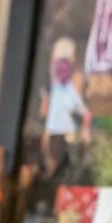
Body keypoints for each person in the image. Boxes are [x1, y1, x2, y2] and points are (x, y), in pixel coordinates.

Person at [39, 35, 91, 175]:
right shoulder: (51, 88)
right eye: (57, 61)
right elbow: (44, 111)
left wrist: (85, 130)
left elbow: (84, 112)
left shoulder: (72, 88)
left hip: (68, 134)